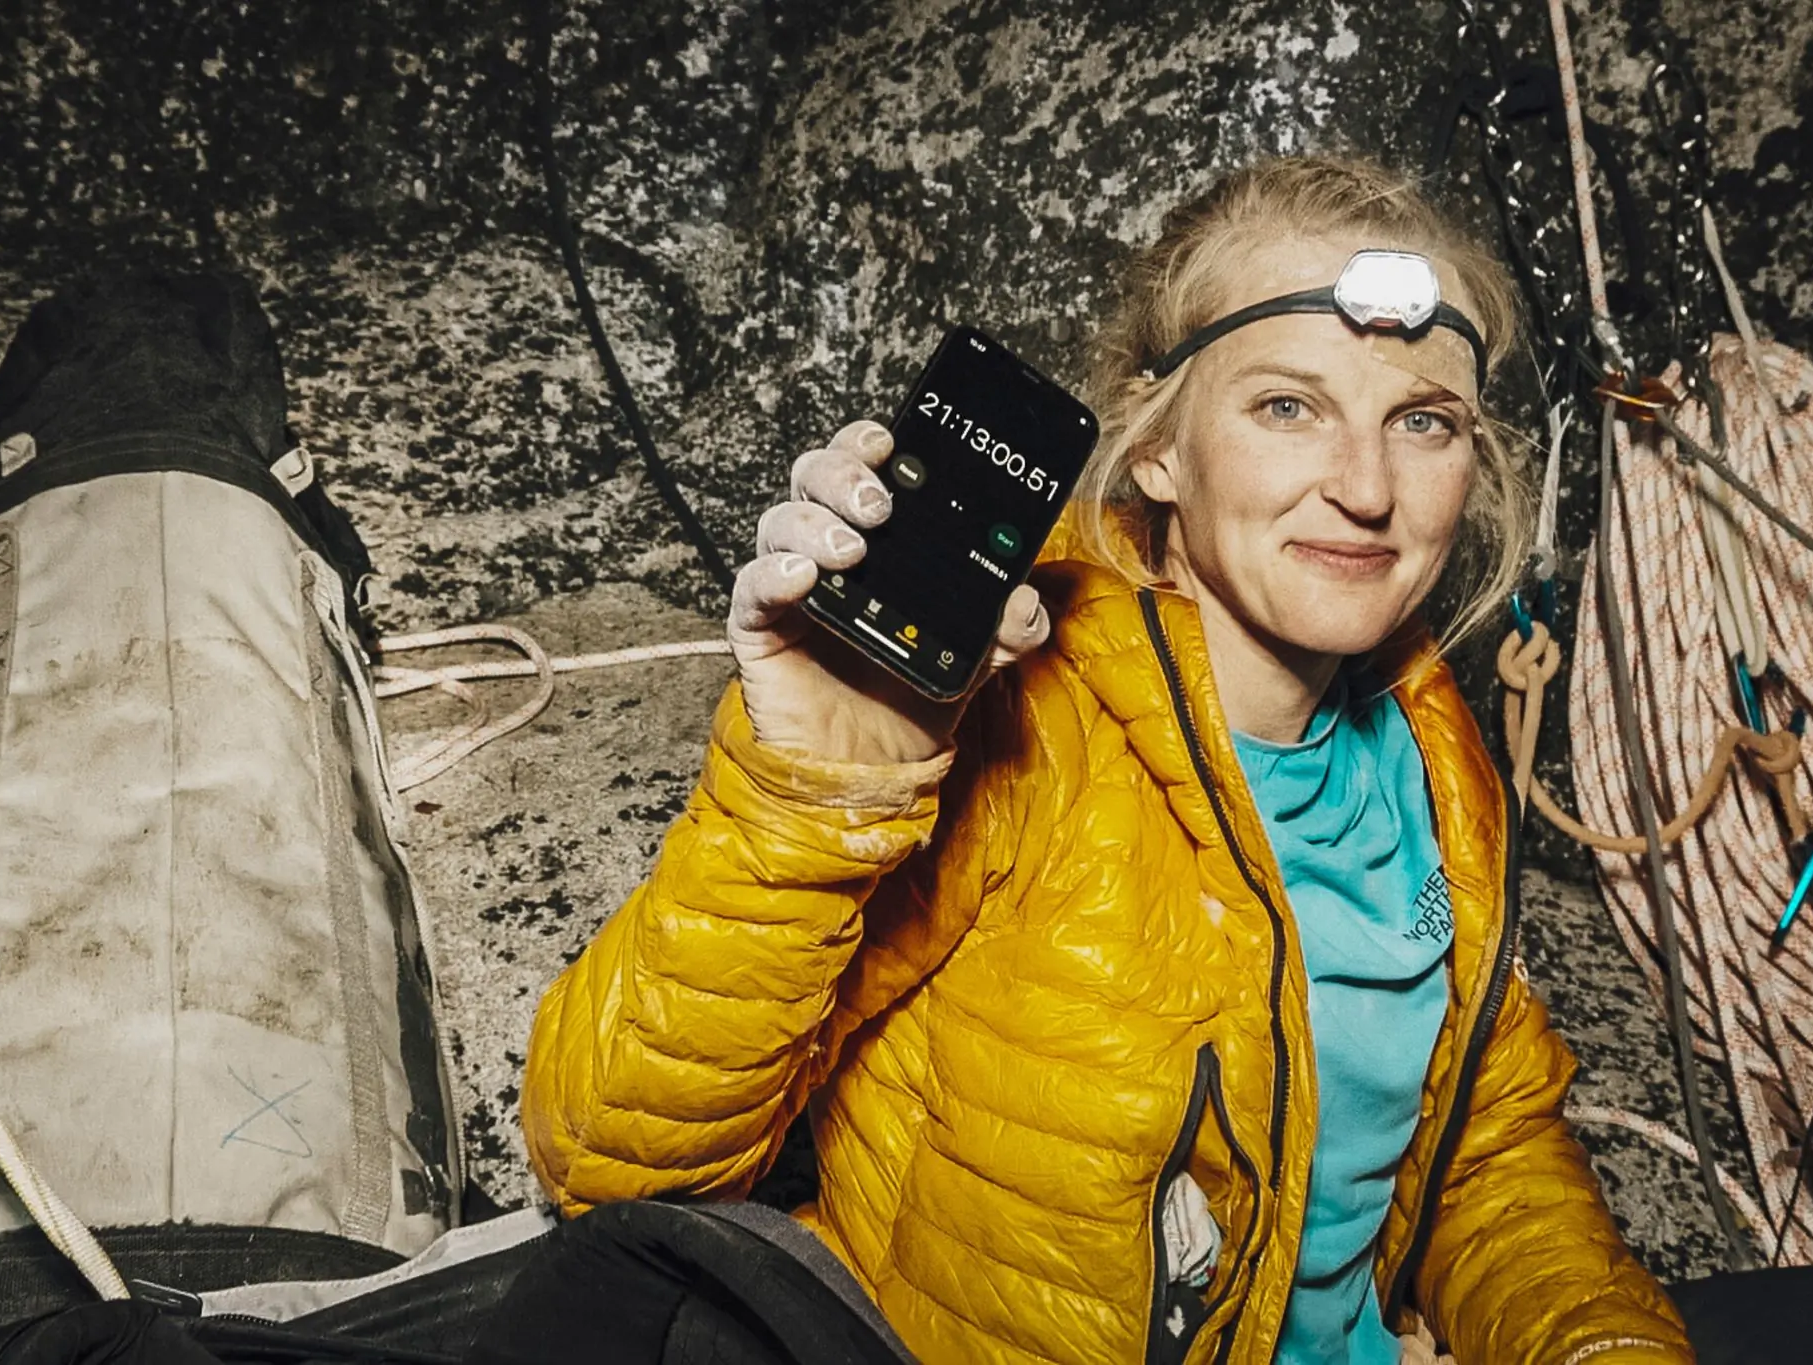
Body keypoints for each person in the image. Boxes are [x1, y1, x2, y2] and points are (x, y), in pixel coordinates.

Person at [519, 156, 1692, 1363]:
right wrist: (812, 797)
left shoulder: (1430, 753)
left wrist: (1598, 1346)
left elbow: (1481, 1151)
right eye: (1286, 407)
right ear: (1157, 450)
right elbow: (607, 1165)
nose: (1364, 488)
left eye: (1421, 422)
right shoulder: (1023, 725)